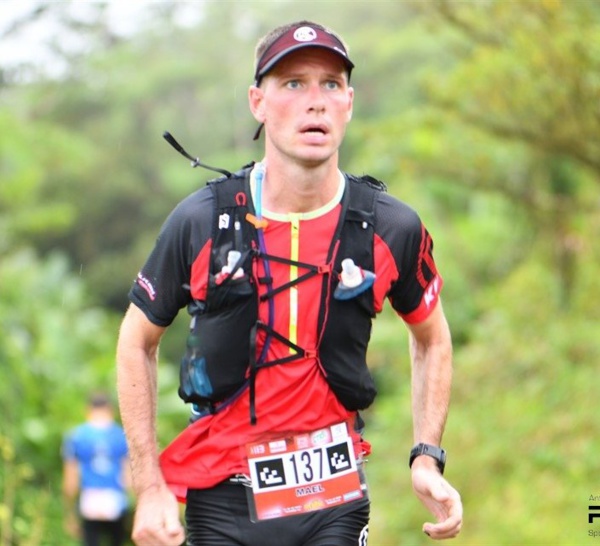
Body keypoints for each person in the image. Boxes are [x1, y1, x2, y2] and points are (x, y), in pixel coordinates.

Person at [116, 20, 463, 546]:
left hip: (334, 501)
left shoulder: (390, 227)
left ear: (349, 102)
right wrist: (150, 486)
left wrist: (426, 456)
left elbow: (432, 337)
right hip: (222, 495)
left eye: (330, 84)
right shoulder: (202, 221)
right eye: (293, 84)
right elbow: (135, 341)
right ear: (258, 101)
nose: (315, 101)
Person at [62, 392, 131, 546]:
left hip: (90, 499)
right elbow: (128, 476)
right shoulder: (121, 435)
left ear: (88, 410)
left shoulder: (76, 435)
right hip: (115, 498)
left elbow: (70, 479)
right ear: (110, 409)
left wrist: (69, 512)